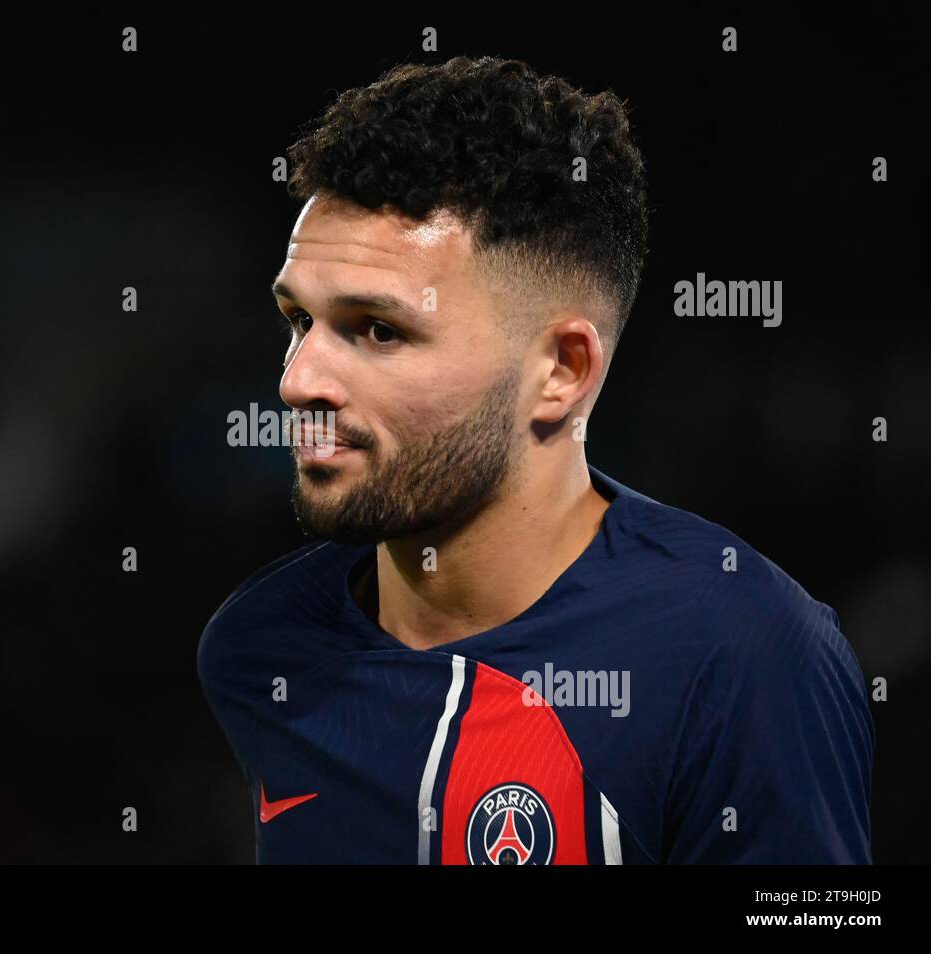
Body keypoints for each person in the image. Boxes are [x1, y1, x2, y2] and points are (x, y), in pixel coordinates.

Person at [197, 55, 873, 864]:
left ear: (562, 371)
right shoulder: (259, 649)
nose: (298, 379)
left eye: (378, 330)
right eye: (297, 320)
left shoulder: (742, 655)